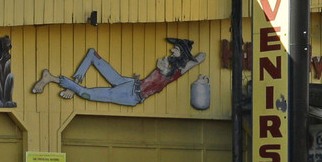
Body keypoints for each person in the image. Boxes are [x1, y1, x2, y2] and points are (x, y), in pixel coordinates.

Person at [30, 38, 202, 106]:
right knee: (86, 94)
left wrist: (189, 57)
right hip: (131, 93)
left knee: (92, 56)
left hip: (130, 85)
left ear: (182, 54)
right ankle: (52, 78)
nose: (172, 51)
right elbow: (199, 58)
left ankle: (72, 86)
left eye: (176, 49)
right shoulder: (173, 67)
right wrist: (188, 58)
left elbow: (201, 57)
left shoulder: (176, 68)